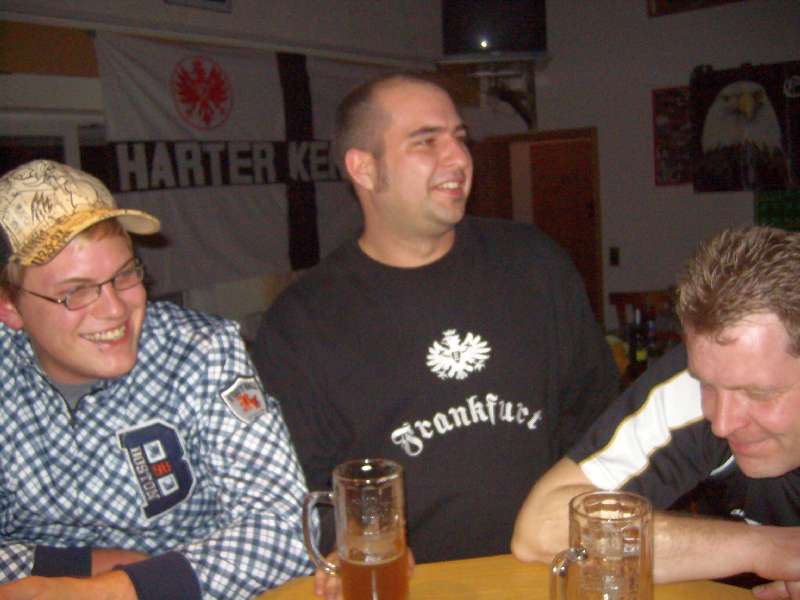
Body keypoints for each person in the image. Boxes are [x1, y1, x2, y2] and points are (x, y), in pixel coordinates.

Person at [251, 72, 619, 591]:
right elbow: (305, 488)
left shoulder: (534, 263)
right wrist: (348, 549)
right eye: (426, 141)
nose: (459, 158)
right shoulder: (302, 321)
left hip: (548, 572)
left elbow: (598, 417)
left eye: (459, 138)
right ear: (364, 168)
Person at [0, 160, 313, 600]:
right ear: (10, 307)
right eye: (75, 291)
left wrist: (118, 589)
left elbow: (287, 527)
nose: (115, 309)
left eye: (125, 275)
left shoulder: (200, 352)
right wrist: (81, 566)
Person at [511, 226, 800, 599]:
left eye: (758, 393)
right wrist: (771, 549)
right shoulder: (708, 376)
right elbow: (541, 527)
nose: (722, 422)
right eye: (706, 384)